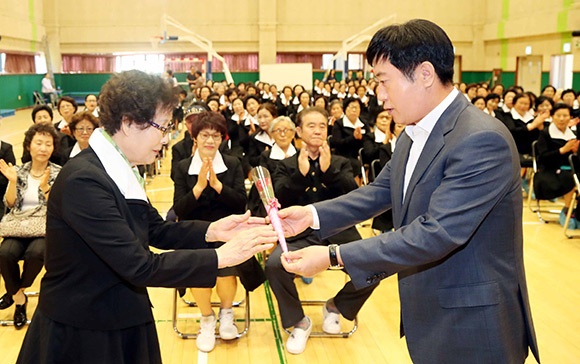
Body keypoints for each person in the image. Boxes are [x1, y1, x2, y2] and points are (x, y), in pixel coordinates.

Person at [276, 19, 540, 364]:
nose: (379, 95)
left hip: (474, 324)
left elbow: (437, 232)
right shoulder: (414, 131)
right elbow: (379, 192)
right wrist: (311, 216)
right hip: (432, 313)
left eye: (384, 81)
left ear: (425, 73)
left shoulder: (479, 139)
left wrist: (332, 256)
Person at [16, 70, 276, 364]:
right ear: (128, 123)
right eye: (162, 127)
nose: (166, 139)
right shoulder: (84, 180)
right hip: (85, 328)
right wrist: (221, 257)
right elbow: (139, 265)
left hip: (120, 312)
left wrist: (213, 231)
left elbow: (154, 228)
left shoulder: (119, 167)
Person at [266, 107, 378, 355]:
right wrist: (302, 175)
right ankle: (299, 321)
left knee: (374, 265)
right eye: (311, 126)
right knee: (275, 264)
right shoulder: (285, 165)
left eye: (322, 126)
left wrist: (329, 172)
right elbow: (279, 199)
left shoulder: (341, 162)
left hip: (340, 233)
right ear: (299, 130)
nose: (317, 130)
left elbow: (353, 195)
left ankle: (336, 307)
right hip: (299, 236)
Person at [172, 111, 262, 352]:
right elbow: (179, 208)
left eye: (215, 136)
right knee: (198, 266)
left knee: (226, 268)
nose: (210, 141)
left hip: (228, 229)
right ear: (195, 138)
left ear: (222, 139)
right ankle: (207, 318)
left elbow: (239, 204)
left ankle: (226, 313)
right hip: (194, 231)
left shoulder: (232, 164)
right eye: (204, 135)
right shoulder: (182, 167)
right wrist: (199, 187)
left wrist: (218, 186)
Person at [0, 123, 61, 329]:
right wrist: (11, 182)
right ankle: (19, 298)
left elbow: (59, 207)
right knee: (5, 254)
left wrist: (45, 189)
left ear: (53, 148)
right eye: (39, 143)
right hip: (18, 224)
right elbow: (9, 204)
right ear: (29, 146)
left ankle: (16, 292)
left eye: (48, 144)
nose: (43, 148)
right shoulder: (18, 171)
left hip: (43, 227)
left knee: (36, 254)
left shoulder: (59, 173)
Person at [534, 103, 579, 227]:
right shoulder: (545, 134)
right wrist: (562, 150)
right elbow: (542, 158)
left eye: (565, 115)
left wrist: (576, 151)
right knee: (570, 179)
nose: (562, 118)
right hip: (549, 171)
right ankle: (567, 210)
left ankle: (576, 212)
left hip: (570, 169)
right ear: (552, 116)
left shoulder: (573, 135)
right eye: (558, 115)